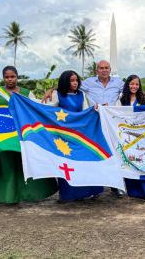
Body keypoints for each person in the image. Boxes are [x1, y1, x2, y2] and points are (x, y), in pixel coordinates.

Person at [42, 60, 145, 197]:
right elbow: (68, 83)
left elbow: (134, 87)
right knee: (96, 152)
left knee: (115, 152)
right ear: (96, 70)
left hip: (112, 122)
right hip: (93, 122)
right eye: (101, 68)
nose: (104, 70)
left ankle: (116, 185)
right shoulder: (88, 83)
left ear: (110, 69)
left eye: (106, 68)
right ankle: (94, 184)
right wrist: (52, 89)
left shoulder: (118, 83)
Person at [0, 66, 58, 208]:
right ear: (3, 78)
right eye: (7, 77)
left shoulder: (26, 93)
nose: (10, 79)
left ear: (17, 77)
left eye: (12, 77)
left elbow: (39, 106)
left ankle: (25, 194)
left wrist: (53, 92)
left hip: (19, 134)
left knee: (20, 163)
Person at [46, 70, 104, 202]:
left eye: (76, 80)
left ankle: (89, 191)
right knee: (66, 164)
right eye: (72, 80)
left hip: (80, 135)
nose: (75, 83)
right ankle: (68, 194)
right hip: (63, 136)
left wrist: (94, 109)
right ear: (66, 81)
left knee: (83, 162)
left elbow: (85, 111)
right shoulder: (57, 94)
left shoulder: (81, 95)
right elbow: (47, 110)